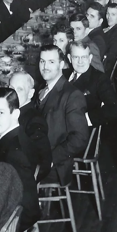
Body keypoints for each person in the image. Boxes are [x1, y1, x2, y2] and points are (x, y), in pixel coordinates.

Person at [0, 87, 40, 231]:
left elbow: (27, 206)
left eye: (0, 113)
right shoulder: (14, 135)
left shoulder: (14, 154)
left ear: (15, 114)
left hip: (9, 224)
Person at [36, 44, 89, 186]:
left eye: (51, 62)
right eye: (42, 61)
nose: (45, 66)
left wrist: (50, 158)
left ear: (61, 64)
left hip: (54, 167)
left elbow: (80, 138)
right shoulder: (43, 88)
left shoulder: (72, 95)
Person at [66, 41, 117, 127]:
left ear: (90, 58)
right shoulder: (63, 74)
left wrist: (84, 119)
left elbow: (115, 109)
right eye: (76, 57)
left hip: (77, 130)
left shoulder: (99, 78)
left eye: (84, 57)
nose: (80, 61)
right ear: (69, 58)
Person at [9, 72, 53, 181]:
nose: (13, 94)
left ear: (30, 93)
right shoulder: (13, 111)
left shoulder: (34, 121)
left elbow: (44, 161)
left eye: (20, 90)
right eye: (11, 88)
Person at [102, 3, 117, 72]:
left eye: (113, 14)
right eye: (108, 14)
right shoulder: (111, 28)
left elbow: (111, 55)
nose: (109, 17)